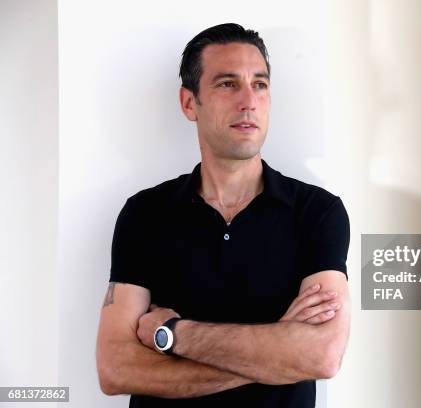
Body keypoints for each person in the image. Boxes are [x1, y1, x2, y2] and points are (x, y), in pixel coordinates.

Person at [95, 23, 351, 408]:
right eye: (228, 84)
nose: (248, 101)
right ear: (188, 103)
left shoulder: (317, 212)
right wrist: (278, 348)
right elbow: (115, 369)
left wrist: (172, 335)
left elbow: (322, 356)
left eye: (260, 84)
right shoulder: (145, 213)